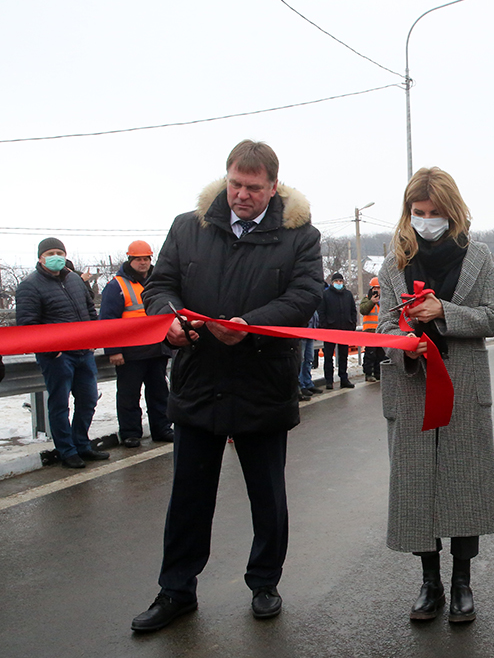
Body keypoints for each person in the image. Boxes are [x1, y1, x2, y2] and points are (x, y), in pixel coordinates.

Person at [130, 140, 323, 632]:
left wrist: (251, 324)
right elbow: (160, 286)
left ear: (273, 187)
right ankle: (176, 589)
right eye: (235, 184)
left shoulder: (300, 236)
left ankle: (264, 582)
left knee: (267, 495)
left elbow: (304, 297)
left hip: (262, 381)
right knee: (189, 497)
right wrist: (167, 321)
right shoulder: (187, 227)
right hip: (199, 379)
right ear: (226, 178)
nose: (242, 195)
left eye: (254, 188)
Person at [377, 167, 494, 624]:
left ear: (452, 212)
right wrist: (403, 341)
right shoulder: (394, 262)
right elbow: (383, 327)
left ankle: (462, 584)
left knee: (463, 486)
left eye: (435, 213)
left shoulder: (479, 257)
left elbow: (491, 317)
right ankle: (429, 584)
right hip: (412, 387)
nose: (426, 220)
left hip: (463, 385)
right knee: (417, 490)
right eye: (418, 212)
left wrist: (444, 312)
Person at [15, 237, 109, 469]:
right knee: (60, 405)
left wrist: (93, 338)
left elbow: (89, 309)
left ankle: (82, 445)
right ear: (40, 257)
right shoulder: (29, 285)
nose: (56, 257)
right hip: (57, 356)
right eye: (50, 253)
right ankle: (66, 451)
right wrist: (50, 350)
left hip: (84, 352)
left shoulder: (75, 280)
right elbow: (28, 325)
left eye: (59, 252)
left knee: (88, 400)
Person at [99, 240, 174, 447]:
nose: (143, 263)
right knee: (129, 395)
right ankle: (131, 433)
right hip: (130, 353)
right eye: (139, 259)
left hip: (157, 349)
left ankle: (162, 429)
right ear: (130, 260)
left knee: (159, 393)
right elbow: (107, 321)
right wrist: (113, 351)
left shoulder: (156, 282)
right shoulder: (116, 286)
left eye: (146, 259)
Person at [318, 272, 357, 389]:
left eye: (340, 281)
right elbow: (321, 312)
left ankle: (344, 378)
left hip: (344, 329)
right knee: (328, 356)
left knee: (343, 356)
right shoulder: (326, 295)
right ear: (332, 282)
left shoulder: (348, 295)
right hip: (330, 330)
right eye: (337, 281)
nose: (339, 283)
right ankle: (329, 380)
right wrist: (324, 326)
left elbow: (353, 311)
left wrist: (352, 324)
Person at [360, 277, 385, 381]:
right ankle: (368, 373)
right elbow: (363, 310)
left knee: (380, 354)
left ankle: (378, 372)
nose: (377, 290)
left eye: (379, 288)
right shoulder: (367, 299)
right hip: (370, 331)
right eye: (375, 288)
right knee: (370, 353)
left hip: (381, 331)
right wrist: (372, 301)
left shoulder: (384, 300)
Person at [298, 311, 322, 401]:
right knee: (301, 361)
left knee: (309, 359)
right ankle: (301, 385)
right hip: (302, 333)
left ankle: (308, 383)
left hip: (310, 333)